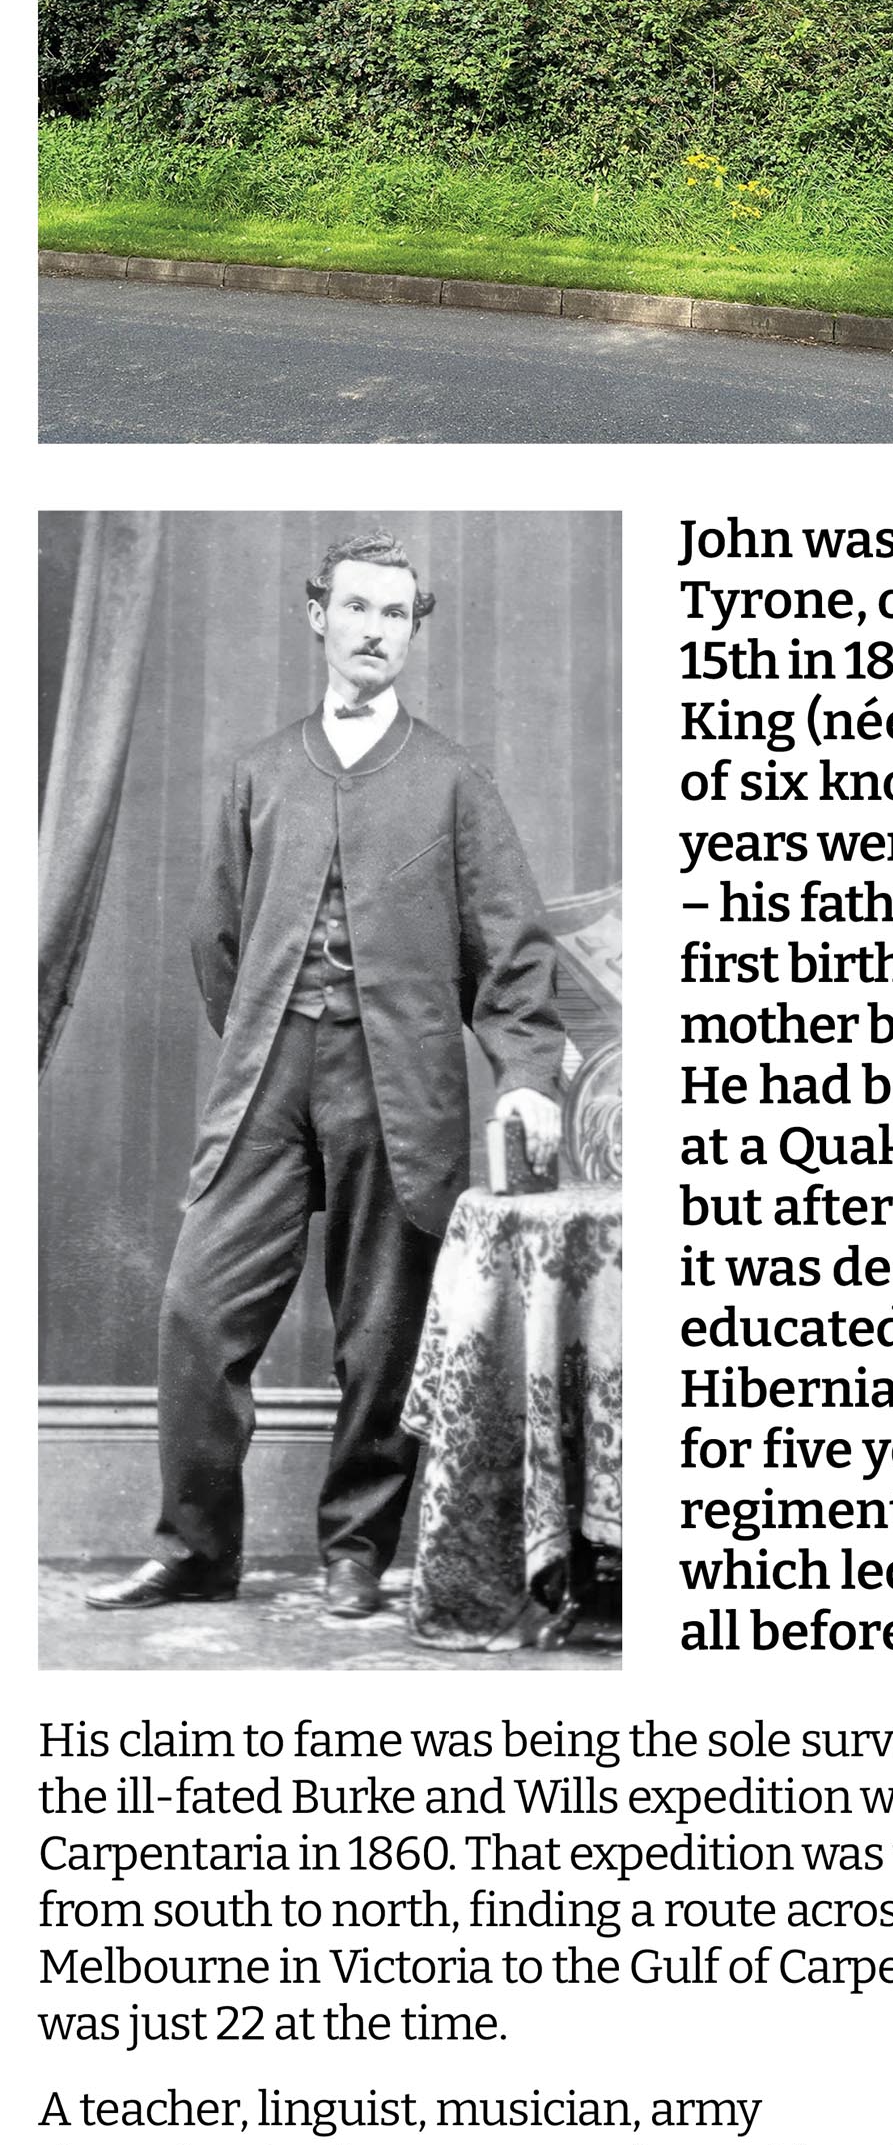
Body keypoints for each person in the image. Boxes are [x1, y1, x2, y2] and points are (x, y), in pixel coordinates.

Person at [88, 532, 562, 1622]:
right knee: (198, 1310)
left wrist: (527, 1071)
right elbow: (216, 940)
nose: (373, 630)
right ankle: (195, 1550)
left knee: (380, 1332)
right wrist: (271, 1029)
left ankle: (357, 1550)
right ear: (318, 616)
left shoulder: (455, 782)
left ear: (413, 631)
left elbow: (512, 948)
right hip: (266, 1073)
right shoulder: (260, 770)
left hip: (399, 1084)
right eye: (356, 607)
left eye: (395, 613)